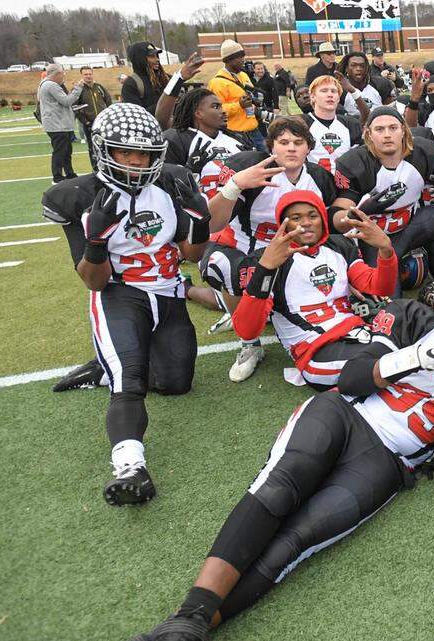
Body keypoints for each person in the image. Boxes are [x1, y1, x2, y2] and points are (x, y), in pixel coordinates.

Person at [128, 278, 434, 640]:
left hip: (389, 459)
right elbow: (352, 378)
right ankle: (193, 612)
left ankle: (186, 629)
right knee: (278, 490)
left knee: (299, 539)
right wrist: (416, 358)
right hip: (343, 415)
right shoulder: (417, 323)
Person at [41, 102, 212, 505]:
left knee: (177, 383)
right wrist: (96, 243)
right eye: (125, 152)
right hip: (119, 293)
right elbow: (94, 280)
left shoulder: (171, 181)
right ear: (103, 149)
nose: (136, 162)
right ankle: (130, 466)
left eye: (144, 154)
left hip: (167, 291)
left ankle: (104, 365)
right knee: (130, 381)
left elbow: (190, 255)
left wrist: (200, 223)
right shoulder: (79, 195)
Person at [201, 117, 339, 382]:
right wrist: (236, 185)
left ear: (309, 147)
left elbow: (329, 226)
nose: (291, 148)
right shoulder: (252, 169)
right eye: (283, 142)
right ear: (271, 146)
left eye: (298, 142)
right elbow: (212, 224)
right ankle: (249, 342)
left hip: (296, 254)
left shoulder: (319, 177)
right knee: (223, 265)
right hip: (249, 251)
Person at [231, 190, 398, 388]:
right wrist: (265, 269)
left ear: (322, 219)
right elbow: (247, 331)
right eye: (296, 218)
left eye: (313, 215)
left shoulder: (339, 245)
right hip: (316, 350)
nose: (306, 223)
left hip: (357, 333)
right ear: (283, 223)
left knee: (408, 312)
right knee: (389, 362)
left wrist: (385, 249)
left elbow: (380, 287)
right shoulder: (264, 259)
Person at [331, 106, 434, 288]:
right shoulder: (354, 163)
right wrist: (359, 212)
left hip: (411, 226)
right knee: (385, 292)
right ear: (368, 134)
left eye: (393, 128)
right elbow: (336, 217)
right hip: (374, 238)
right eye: (379, 129)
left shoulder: (424, 151)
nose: (387, 135)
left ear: (403, 130)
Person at [299, 75, 364, 175]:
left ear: (338, 98)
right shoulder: (301, 123)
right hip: (313, 181)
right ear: (312, 96)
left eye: (333, 91)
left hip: (344, 181)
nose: (330, 94)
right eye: (324, 91)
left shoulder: (350, 124)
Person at [208, 40, 264, 152]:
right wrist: (239, 105)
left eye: (243, 56)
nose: (243, 60)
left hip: (254, 129)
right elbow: (216, 111)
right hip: (236, 134)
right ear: (228, 60)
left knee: (266, 159)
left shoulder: (243, 75)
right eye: (239, 57)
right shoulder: (217, 83)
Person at [37, 64, 85, 183]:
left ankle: (69, 173)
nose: (64, 76)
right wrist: (78, 88)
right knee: (60, 151)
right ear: (57, 74)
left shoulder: (45, 84)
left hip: (58, 123)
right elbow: (66, 101)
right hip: (57, 125)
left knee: (66, 150)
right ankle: (57, 176)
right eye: (62, 73)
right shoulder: (51, 85)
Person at [338, 51, 395, 119]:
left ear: (367, 67)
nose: (358, 69)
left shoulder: (381, 83)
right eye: (353, 65)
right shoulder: (340, 89)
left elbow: (391, 110)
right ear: (346, 68)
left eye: (362, 66)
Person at [75, 66, 113, 167]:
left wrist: (109, 117)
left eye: (90, 74)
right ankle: (95, 168)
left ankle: (107, 167)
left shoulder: (99, 87)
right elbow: (75, 108)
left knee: (106, 146)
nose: (88, 76)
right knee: (92, 148)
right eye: (85, 74)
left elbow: (108, 101)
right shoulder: (79, 89)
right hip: (89, 124)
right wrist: (85, 122)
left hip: (103, 123)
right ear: (81, 75)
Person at [121, 42, 170, 114]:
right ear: (140, 59)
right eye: (152, 56)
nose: (157, 59)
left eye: (157, 56)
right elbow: (137, 115)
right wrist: (166, 103)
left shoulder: (166, 78)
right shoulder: (131, 85)